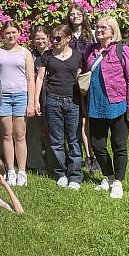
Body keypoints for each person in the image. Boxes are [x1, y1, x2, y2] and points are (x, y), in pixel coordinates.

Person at [84, 16, 129, 199]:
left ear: (112, 30)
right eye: (97, 27)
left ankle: (118, 182)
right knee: (97, 145)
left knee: (119, 145)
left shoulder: (122, 51)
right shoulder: (90, 51)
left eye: (103, 28)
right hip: (95, 105)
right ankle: (109, 176)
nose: (99, 30)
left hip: (118, 105)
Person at [0, 21, 35, 186]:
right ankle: (10, 171)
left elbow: (30, 79)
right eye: (7, 33)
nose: (11, 35)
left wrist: (31, 102)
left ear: (19, 33)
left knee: (20, 135)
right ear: (2, 35)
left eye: (14, 32)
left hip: (21, 96)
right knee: (6, 134)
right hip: (3, 97)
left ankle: (22, 172)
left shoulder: (25, 53)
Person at [34, 25, 83, 189]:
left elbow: (80, 78)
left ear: (68, 38)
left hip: (73, 102)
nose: (54, 41)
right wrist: (36, 101)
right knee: (56, 140)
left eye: (58, 38)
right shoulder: (47, 56)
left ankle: (75, 175)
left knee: (74, 140)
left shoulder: (77, 56)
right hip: (53, 101)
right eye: (53, 38)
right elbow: (39, 79)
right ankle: (60, 173)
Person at [68, 3, 99, 174]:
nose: (75, 17)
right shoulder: (66, 34)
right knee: (79, 119)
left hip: (87, 80)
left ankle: (92, 154)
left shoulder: (92, 35)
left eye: (78, 14)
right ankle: (84, 155)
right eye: (72, 14)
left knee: (88, 118)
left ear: (83, 16)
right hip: (71, 80)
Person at [27, 26, 51, 173]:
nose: (40, 41)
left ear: (48, 38)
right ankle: (36, 163)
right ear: (33, 40)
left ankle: (52, 161)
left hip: (51, 95)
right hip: (33, 95)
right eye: (37, 38)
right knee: (33, 130)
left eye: (43, 38)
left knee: (52, 130)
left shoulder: (54, 54)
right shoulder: (30, 56)